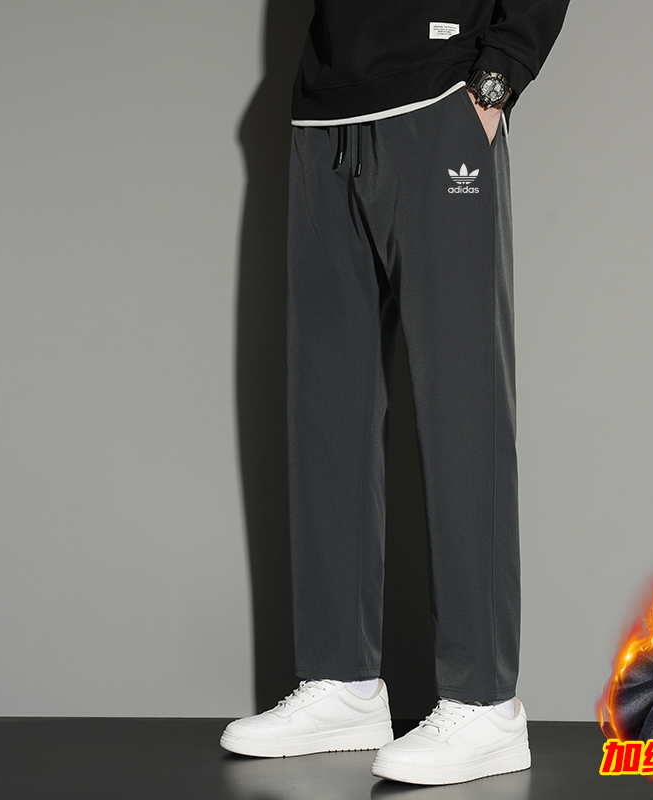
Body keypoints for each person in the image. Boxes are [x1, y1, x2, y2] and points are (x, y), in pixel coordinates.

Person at [221, 0, 570, 785]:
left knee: (462, 410)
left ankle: (485, 704)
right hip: (324, 114)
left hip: (441, 101)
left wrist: (494, 83)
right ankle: (341, 683)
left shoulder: (463, 99)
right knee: (328, 413)